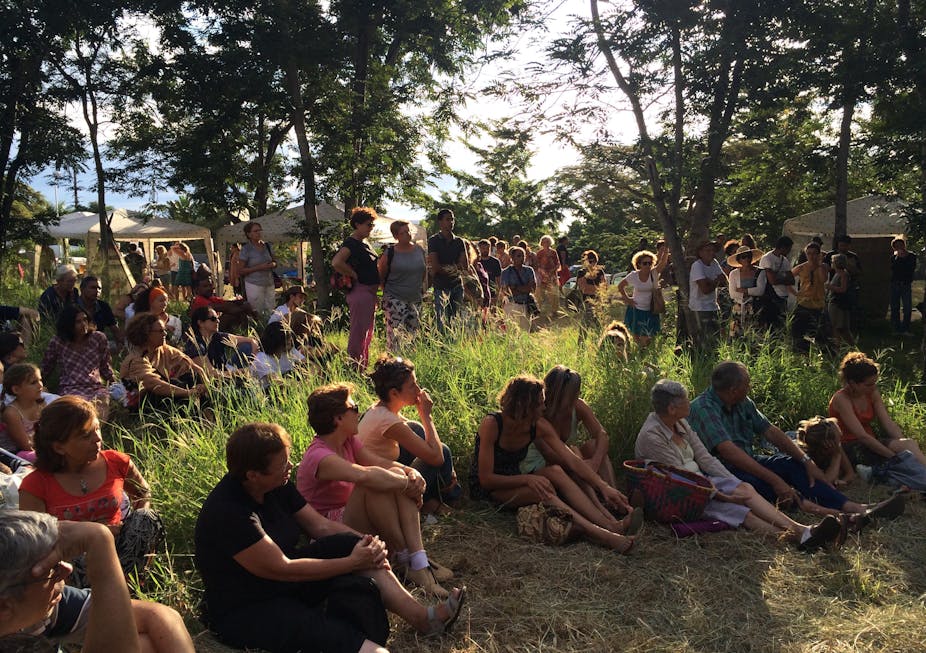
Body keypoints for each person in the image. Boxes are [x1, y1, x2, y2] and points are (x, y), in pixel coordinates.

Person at [195, 422, 466, 653]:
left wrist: (368, 545)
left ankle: (423, 618)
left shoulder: (276, 486)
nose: (290, 466)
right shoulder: (229, 512)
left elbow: (321, 527)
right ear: (253, 475)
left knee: (352, 543)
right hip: (249, 606)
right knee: (339, 637)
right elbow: (283, 569)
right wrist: (352, 562)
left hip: (284, 582)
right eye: (282, 464)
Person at [635, 380, 845, 551]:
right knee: (742, 512)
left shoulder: (680, 422)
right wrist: (722, 495)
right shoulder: (653, 436)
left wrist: (732, 483)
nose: (690, 403)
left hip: (701, 483)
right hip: (681, 495)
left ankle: (804, 533)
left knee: (745, 489)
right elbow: (681, 480)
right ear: (672, 408)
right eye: (685, 400)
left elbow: (705, 457)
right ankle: (800, 536)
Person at [688, 361, 904, 521]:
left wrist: (805, 460)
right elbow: (729, 453)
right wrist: (774, 479)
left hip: (749, 459)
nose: (750, 388)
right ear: (733, 389)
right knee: (761, 484)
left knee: (792, 465)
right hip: (724, 470)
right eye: (747, 384)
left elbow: (771, 431)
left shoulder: (742, 401)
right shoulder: (704, 408)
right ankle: (834, 514)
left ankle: (856, 508)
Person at [297, 384, 454, 597]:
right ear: (338, 419)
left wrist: (410, 473)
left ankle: (418, 559)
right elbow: (363, 475)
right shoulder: (319, 456)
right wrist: (407, 484)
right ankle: (406, 559)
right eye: (354, 408)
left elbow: (380, 462)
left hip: (354, 514)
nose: (358, 412)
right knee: (374, 484)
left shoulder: (348, 441)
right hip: (330, 529)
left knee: (392, 479)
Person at [470, 375, 640, 554]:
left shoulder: (537, 426)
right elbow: (486, 479)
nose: (544, 408)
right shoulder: (492, 424)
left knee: (556, 471)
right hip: (490, 490)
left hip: (516, 479)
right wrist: (527, 479)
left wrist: (603, 486)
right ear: (525, 406)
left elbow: (571, 460)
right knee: (543, 490)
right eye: (540, 403)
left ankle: (611, 525)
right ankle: (603, 535)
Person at [18, 397, 165, 588]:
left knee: (146, 518)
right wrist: (93, 534)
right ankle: (94, 595)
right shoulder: (36, 484)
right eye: (85, 435)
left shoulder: (117, 462)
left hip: (119, 548)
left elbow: (143, 493)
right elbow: (35, 539)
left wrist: (134, 523)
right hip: (74, 559)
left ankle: (130, 584)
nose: (97, 439)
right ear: (59, 447)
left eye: (97, 429)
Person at [0, 513, 194, 653]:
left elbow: (158, 615)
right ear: (4, 606)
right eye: (51, 570)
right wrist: (99, 541)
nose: (67, 570)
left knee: (148, 645)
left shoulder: (34, 603)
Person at [358, 356, 461, 519]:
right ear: (394, 393)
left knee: (416, 429)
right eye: (412, 386)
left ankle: (437, 498)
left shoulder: (380, 410)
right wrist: (426, 416)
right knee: (442, 452)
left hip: (385, 473)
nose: (419, 390)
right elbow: (437, 458)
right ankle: (441, 500)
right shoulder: (387, 420)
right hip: (381, 488)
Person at [828, 352, 926, 478]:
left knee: (908, 444)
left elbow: (888, 423)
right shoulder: (841, 399)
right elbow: (861, 436)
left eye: (875, 383)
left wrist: (902, 445)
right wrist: (893, 456)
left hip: (872, 442)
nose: (873, 387)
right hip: (851, 447)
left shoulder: (872, 393)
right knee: (904, 452)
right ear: (852, 383)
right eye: (868, 384)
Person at [541, 366, 622, 513]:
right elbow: (549, 454)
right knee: (574, 451)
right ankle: (598, 507)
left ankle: (614, 498)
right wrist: (582, 465)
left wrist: (594, 463)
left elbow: (602, 435)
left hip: (575, 463)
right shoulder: (540, 412)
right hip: (553, 465)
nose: (576, 396)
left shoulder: (578, 406)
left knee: (593, 445)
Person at [120, 313, 207, 410]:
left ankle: (206, 416)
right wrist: (187, 393)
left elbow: (195, 367)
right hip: (142, 402)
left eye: (165, 330)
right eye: (160, 331)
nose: (165, 334)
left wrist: (205, 386)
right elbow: (153, 384)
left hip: (165, 392)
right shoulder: (136, 359)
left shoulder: (164, 349)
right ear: (146, 334)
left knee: (191, 376)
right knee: (176, 386)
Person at [40, 306, 114, 419]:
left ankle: (95, 430)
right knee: (78, 410)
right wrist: (39, 384)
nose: (83, 324)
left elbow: (105, 365)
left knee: (101, 404)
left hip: (94, 386)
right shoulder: (58, 341)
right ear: (68, 324)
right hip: (70, 387)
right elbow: (47, 366)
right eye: (78, 322)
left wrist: (113, 383)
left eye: (85, 319)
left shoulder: (98, 338)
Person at [332, 208, 381, 368]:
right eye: (368, 224)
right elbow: (337, 262)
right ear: (357, 224)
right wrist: (354, 274)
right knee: (358, 332)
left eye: (372, 224)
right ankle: (354, 366)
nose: (371, 227)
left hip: (369, 292)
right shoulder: (351, 243)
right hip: (360, 291)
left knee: (366, 333)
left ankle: (362, 366)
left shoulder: (363, 243)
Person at [379, 221, 427, 351]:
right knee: (396, 336)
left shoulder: (419, 250)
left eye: (409, 230)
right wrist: (386, 292)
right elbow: (381, 275)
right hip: (395, 297)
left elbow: (424, 271)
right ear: (396, 236)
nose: (408, 234)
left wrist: (421, 289)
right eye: (403, 232)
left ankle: (409, 365)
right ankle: (393, 365)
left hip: (415, 297)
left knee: (413, 336)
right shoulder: (390, 253)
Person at [182, 306, 258, 379]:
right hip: (209, 382)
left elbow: (251, 340)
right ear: (201, 323)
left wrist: (253, 359)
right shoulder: (196, 345)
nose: (218, 321)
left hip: (223, 372)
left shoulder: (216, 336)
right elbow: (211, 374)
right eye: (213, 319)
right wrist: (244, 371)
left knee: (248, 346)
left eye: (218, 318)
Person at [618, 248, 669, 347]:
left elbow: (663, 263)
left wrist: (665, 251)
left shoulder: (654, 273)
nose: (648, 265)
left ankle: (647, 352)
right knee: (636, 334)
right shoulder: (634, 275)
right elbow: (620, 286)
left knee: (651, 335)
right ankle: (640, 352)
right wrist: (628, 299)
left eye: (650, 263)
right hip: (636, 308)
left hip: (652, 309)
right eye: (645, 263)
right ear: (639, 264)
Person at [427, 209, 467, 334]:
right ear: (440, 222)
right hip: (441, 286)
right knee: (442, 321)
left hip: (457, 286)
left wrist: (449, 269)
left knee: (457, 320)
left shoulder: (459, 241)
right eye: (447, 219)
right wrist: (453, 269)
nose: (451, 222)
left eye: (452, 219)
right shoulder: (434, 240)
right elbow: (435, 266)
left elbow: (464, 265)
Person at [789, 241, 831, 353]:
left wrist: (819, 264)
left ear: (818, 254)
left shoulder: (823, 267)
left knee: (816, 333)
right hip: (803, 303)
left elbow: (823, 279)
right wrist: (795, 292)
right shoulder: (802, 267)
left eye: (814, 253)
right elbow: (786, 278)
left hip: (818, 305)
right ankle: (800, 353)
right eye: (809, 253)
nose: (811, 256)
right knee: (798, 332)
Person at [1, 364, 44, 460]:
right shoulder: (12, 413)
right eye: (33, 382)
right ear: (16, 389)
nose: (40, 385)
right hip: (15, 454)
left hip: (38, 448)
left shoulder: (41, 405)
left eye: (40, 380)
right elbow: (25, 446)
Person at [688, 241, 726, 348]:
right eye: (708, 250)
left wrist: (710, 281)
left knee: (716, 338)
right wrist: (715, 281)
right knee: (704, 340)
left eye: (713, 250)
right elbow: (705, 289)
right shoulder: (697, 266)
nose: (711, 253)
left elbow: (724, 280)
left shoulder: (714, 263)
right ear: (700, 253)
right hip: (700, 307)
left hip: (713, 306)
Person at [189, 274, 255, 332]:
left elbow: (228, 303)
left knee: (238, 312)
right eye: (205, 286)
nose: (210, 288)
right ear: (197, 290)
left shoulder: (210, 298)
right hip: (200, 332)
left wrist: (240, 302)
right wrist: (245, 308)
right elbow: (226, 308)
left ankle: (244, 333)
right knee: (231, 315)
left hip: (209, 328)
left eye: (210, 285)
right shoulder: (198, 300)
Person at [250, 321, 306, 388]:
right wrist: (304, 385)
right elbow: (279, 383)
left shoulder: (289, 350)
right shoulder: (261, 360)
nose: (291, 340)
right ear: (278, 342)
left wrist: (308, 379)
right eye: (288, 339)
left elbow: (311, 365)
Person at [757, 236, 795, 330]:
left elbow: (791, 279)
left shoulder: (785, 260)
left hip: (783, 295)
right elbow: (772, 281)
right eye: (788, 249)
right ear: (782, 247)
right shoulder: (767, 258)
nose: (789, 252)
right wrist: (783, 277)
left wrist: (777, 276)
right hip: (770, 296)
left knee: (781, 324)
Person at [238, 223, 278, 314]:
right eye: (256, 231)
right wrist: (259, 267)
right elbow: (240, 270)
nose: (259, 233)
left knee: (271, 310)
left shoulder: (268, 246)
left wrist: (273, 264)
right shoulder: (246, 249)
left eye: (260, 230)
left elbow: (275, 262)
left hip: (269, 283)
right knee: (257, 311)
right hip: (254, 284)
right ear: (249, 234)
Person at [725, 245, 763, 336]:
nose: (747, 259)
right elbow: (732, 293)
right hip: (738, 308)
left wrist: (744, 290)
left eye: (749, 256)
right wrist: (750, 292)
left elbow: (760, 290)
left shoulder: (760, 272)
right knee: (736, 335)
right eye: (743, 257)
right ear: (739, 260)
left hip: (754, 307)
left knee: (753, 335)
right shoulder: (733, 274)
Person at [76, 276, 123, 347]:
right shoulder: (73, 307)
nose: (97, 291)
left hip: (99, 344)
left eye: (99, 288)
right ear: (82, 289)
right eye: (93, 288)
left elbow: (115, 329)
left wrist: (120, 343)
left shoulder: (103, 306)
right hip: (76, 344)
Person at [499, 246, 537, 332]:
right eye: (519, 256)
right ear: (512, 258)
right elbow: (506, 291)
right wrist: (523, 289)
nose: (521, 258)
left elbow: (532, 288)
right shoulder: (506, 272)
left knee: (525, 332)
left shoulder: (529, 270)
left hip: (525, 305)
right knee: (511, 332)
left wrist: (516, 287)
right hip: (511, 305)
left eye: (523, 256)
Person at [826, 253, 855, 346]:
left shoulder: (843, 274)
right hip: (834, 301)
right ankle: (850, 346)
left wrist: (830, 287)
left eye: (832, 261)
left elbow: (843, 289)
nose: (831, 263)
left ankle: (837, 347)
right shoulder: (837, 274)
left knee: (837, 327)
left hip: (838, 303)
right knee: (842, 328)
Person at [889, 237, 916, 336]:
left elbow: (910, 268)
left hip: (905, 284)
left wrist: (903, 258)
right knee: (895, 307)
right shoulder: (893, 258)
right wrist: (898, 258)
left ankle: (906, 328)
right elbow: (894, 270)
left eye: (901, 245)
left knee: (907, 307)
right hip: (895, 284)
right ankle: (896, 329)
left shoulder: (912, 256)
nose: (900, 247)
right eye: (897, 246)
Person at [576, 249, 606, 334]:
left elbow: (604, 287)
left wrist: (593, 288)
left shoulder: (600, 272)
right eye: (590, 260)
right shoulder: (582, 272)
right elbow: (584, 288)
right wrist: (597, 288)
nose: (592, 263)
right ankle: (581, 345)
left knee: (599, 326)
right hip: (586, 302)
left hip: (599, 301)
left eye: (594, 261)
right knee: (585, 325)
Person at [534, 235, 562, 320]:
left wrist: (552, 271)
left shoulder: (554, 252)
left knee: (554, 294)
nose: (546, 243)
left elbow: (558, 263)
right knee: (539, 294)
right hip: (542, 276)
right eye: (544, 241)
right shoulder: (539, 253)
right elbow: (537, 265)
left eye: (548, 241)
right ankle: (537, 310)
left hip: (552, 276)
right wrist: (543, 272)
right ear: (541, 243)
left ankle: (554, 311)